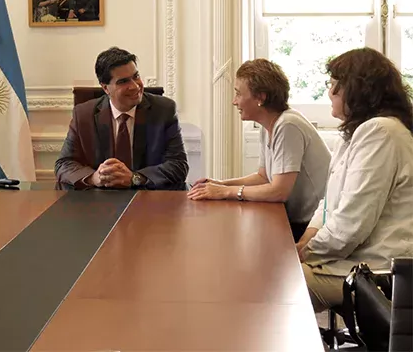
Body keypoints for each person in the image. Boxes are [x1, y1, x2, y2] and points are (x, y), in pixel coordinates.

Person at [297, 47, 413, 313]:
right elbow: (329, 204)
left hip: (379, 271)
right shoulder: (354, 133)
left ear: (358, 89)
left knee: (278, 282)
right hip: (354, 260)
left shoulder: (381, 132)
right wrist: (306, 240)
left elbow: (352, 223)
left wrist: (305, 252)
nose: (330, 92)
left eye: (335, 84)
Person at [188, 59, 330, 242]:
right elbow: (263, 177)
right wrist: (221, 184)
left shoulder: (288, 125)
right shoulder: (269, 124)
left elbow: (279, 191)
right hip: (293, 220)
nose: (234, 101)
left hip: (310, 226)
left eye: (238, 94)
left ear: (260, 98)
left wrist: (225, 192)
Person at [55, 47, 188, 189]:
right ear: (106, 88)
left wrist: (134, 178)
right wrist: (94, 178)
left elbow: (178, 165)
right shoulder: (83, 114)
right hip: (97, 202)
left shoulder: (163, 110)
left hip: (148, 200)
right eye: (123, 81)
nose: (135, 86)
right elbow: (63, 164)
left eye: (136, 76)